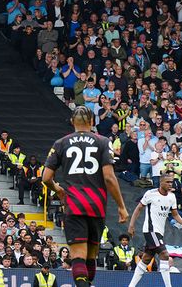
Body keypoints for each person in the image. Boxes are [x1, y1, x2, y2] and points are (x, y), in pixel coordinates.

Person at [41, 106, 128, 287]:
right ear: (92, 122)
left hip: (74, 205)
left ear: (72, 122)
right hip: (96, 206)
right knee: (91, 257)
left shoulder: (61, 143)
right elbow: (109, 178)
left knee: (78, 256)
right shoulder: (103, 142)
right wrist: (121, 206)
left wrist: (58, 189)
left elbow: (46, 178)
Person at [126, 173, 182, 287]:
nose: (170, 184)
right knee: (165, 254)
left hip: (159, 232)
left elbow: (175, 214)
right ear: (161, 182)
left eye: (171, 182)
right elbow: (138, 209)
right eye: (167, 182)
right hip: (150, 230)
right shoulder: (151, 194)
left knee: (146, 258)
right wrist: (131, 226)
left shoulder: (172, 197)